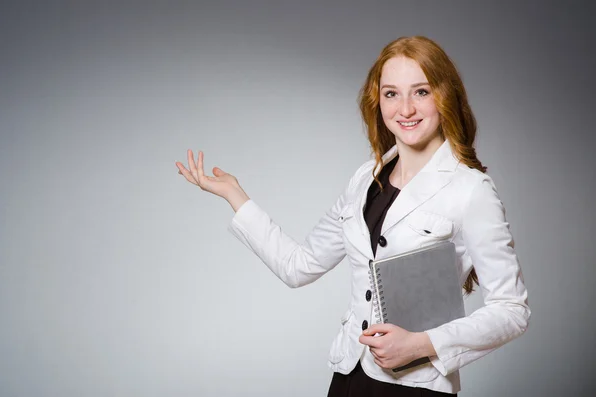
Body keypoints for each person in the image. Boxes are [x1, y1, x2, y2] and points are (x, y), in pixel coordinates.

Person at [175, 36, 530, 396]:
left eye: (421, 92)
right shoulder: (365, 180)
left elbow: (512, 310)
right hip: (349, 377)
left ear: (444, 95)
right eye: (392, 94)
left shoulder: (472, 189)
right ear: (379, 102)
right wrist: (235, 194)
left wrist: (423, 344)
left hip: (418, 386)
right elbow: (298, 266)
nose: (405, 108)